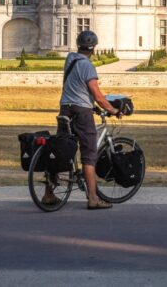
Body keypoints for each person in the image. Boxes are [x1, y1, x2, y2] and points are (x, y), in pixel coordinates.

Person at [47, 29, 121, 210]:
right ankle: (93, 198)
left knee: (62, 150)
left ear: (78, 45)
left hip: (65, 108)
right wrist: (112, 109)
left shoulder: (70, 59)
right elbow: (97, 94)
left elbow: (76, 87)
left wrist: (91, 104)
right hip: (81, 112)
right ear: (94, 48)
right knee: (89, 154)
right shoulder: (88, 66)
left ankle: (49, 194)